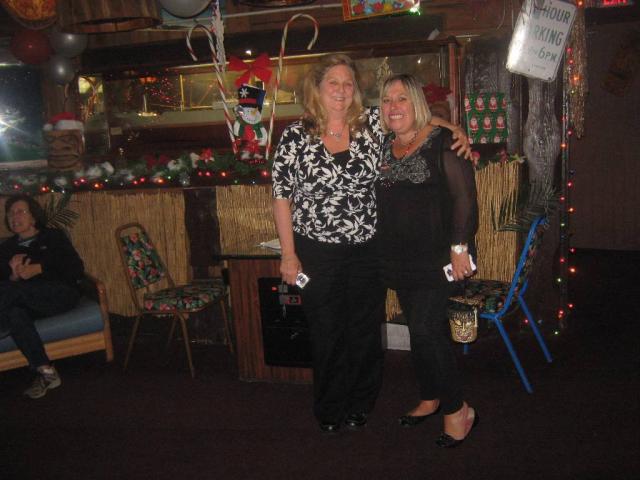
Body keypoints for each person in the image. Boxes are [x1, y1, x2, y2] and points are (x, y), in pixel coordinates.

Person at [271, 53, 471, 433]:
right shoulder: (295, 135)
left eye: (348, 83)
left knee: (364, 330)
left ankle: (361, 403)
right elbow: (281, 197)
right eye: (334, 83)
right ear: (317, 88)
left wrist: (453, 129)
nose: (342, 90)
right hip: (316, 251)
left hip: (367, 249)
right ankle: (330, 405)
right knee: (326, 330)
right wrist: (289, 254)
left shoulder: (370, 125)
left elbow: (415, 118)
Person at [375, 73, 479, 447]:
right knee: (417, 330)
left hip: (440, 257)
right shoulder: (382, 144)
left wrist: (459, 247)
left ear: (417, 102)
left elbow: (465, 198)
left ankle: (457, 409)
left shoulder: (444, 143)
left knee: (426, 330)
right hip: (399, 258)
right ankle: (430, 396)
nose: (393, 106)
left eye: (402, 98)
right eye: (387, 100)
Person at [0, 194, 85, 399]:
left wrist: (39, 269)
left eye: (20, 212)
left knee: (14, 293)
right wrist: (13, 276)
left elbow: (76, 269)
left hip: (60, 294)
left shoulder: (53, 237)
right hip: (28, 302)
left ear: (33, 216)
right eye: (10, 213)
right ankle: (46, 372)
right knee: (14, 313)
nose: (14, 217)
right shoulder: (6, 249)